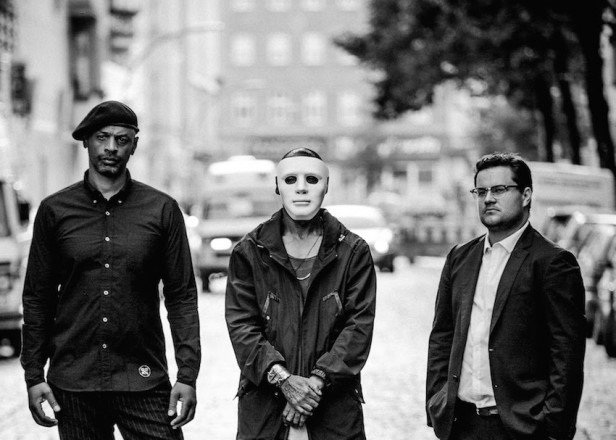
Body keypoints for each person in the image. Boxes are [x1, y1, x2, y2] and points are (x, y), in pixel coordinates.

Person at [21, 100, 201, 439]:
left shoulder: (162, 210)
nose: (111, 147)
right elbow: (38, 298)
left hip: (143, 377)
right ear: (87, 142)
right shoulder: (54, 211)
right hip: (74, 382)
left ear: (134, 145)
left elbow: (182, 297)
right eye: (102, 137)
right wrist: (33, 375)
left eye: (122, 139)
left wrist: (187, 375)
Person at [426, 152, 586, 440]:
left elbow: (566, 354)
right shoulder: (460, 258)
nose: (488, 198)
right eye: (481, 191)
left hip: (521, 426)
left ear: (525, 196)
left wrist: (554, 428)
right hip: (461, 424)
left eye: (499, 189)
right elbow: (442, 335)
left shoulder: (553, 263)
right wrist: (437, 401)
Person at [225, 148, 377, 440]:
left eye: (312, 179)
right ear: (277, 186)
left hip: (334, 413)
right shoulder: (250, 252)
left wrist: (315, 385)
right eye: (291, 179)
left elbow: (358, 327)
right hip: (265, 411)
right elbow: (241, 325)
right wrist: (283, 380)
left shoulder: (353, 252)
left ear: (326, 185)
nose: (302, 188)